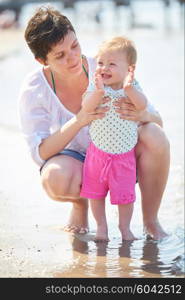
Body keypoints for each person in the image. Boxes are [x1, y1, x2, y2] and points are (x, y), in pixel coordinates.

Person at [19, 6, 170, 239]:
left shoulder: (107, 67)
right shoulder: (34, 89)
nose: (73, 59)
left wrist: (143, 116)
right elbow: (40, 153)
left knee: (155, 136)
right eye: (60, 55)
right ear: (42, 60)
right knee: (55, 177)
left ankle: (151, 221)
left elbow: (157, 120)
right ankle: (80, 205)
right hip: (78, 162)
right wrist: (80, 120)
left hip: (121, 154)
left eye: (74, 46)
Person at [80, 36, 147, 242]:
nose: (104, 68)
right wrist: (98, 92)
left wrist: (129, 90)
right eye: (100, 63)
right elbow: (86, 107)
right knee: (95, 194)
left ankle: (124, 228)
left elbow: (142, 105)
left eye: (111, 64)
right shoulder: (97, 87)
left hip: (124, 155)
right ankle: (101, 227)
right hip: (97, 154)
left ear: (129, 70)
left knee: (125, 197)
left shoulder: (133, 86)